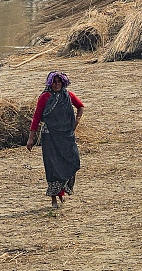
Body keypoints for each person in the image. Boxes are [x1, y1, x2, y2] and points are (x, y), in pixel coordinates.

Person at [27, 71, 84, 209]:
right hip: (50, 136)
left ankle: (62, 191)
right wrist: (31, 138)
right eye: (54, 82)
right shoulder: (45, 97)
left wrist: (76, 121)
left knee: (71, 160)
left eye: (59, 82)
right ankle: (54, 198)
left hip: (66, 136)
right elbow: (36, 117)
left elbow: (80, 106)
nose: (57, 84)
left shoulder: (68, 95)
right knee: (52, 166)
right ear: (50, 83)